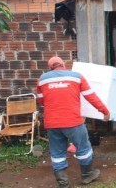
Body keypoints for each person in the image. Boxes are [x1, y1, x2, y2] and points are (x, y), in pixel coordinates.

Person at [36, 56, 110, 188]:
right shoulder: (76, 77)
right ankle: (87, 175)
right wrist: (104, 111)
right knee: (83, 147)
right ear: (63, 65)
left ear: (50, 67)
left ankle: (63, 183)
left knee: (57, 152)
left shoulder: (42, 80)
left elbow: (41, 101)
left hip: (52, 123)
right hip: (73, 121)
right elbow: (91, 97)